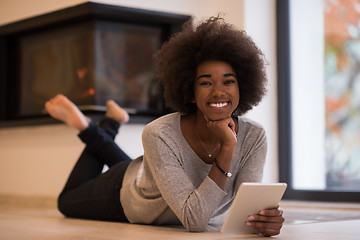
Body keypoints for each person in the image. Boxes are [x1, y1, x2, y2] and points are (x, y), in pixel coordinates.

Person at [45, 16, 284, 236]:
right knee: (66, 202)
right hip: (127, 193)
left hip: (149, 175)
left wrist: (264, 221)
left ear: (243, 87)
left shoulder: (254, 136)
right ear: (189, 92)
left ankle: (110, 123)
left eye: (229, 81)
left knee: (145, 171)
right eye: (205, 82)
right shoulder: (159, 132)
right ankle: (92, 127)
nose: (219, 91)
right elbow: (195, 220)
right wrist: (227, 147)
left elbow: (245, 214)